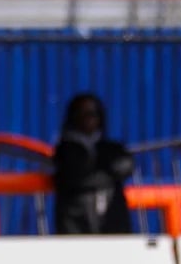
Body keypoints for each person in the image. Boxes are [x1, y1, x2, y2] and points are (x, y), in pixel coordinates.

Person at [53, 93, 133, 234]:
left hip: (111, 221)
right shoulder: (66, 150)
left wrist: (99, 173)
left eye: (93, 113)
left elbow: (124, 166)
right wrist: (106, 175)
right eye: (83, 113)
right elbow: (75, 177)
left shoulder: (111, 148)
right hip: (76, 222)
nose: (89, 118)